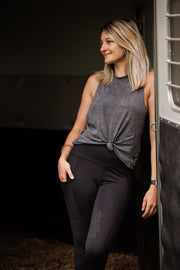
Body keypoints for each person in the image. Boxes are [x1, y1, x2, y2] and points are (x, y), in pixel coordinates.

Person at [58, 19, 158, 270]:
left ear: (128, 41)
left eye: (109, 41)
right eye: (101, 43)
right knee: (82, 246)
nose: (102, 47)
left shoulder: (149, 81)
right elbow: (78, 127)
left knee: (97, 246)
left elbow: (154, 136)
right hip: (80, 164)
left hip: (118, 173)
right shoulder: (95, 81)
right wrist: (62, 157)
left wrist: (155, 184)